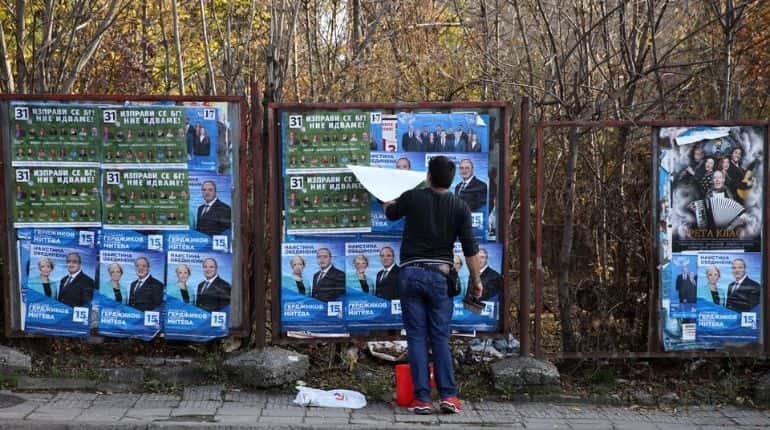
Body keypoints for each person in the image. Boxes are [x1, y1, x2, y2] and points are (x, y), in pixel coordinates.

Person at [383, 155, 483, 414]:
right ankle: (449, 397)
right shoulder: (460, 206)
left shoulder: (413, 197)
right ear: (451, 179)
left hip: (411, 274)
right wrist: (476, 279)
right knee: (439, 337)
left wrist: (385, 198)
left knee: (416, 337)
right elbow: (471, 249)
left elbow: (391, 213)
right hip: (441, 277)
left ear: (428, 175)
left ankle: (422, 400)